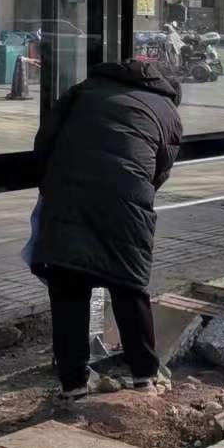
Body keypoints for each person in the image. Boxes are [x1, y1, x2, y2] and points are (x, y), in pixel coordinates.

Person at [30, 59, 184, 397]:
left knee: (68, 285)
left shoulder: (83, 90)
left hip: (67, 197)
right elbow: (159, 171)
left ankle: (73, 384)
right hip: (125, 203)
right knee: (128, 285)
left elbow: (45, 142)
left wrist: (53, 186)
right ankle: (145, 376)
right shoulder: (168, 111)